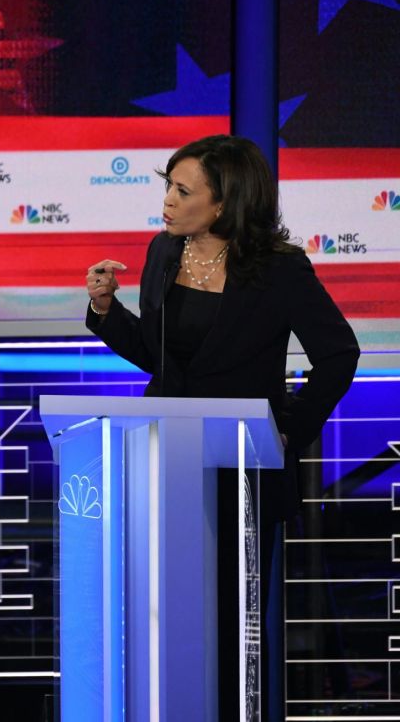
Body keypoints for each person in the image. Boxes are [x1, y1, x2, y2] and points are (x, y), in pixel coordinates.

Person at [84, 134, 359, 720]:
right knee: (162, 616)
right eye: (168, 186)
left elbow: (338, 354)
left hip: (243, 469)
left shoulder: (280, 272)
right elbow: (164, 359)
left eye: (183, 191)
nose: (168, 200)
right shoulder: (163, 253)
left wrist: (288, 427)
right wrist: (106, 314)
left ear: (224, 202)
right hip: (165, 459)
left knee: (231, 627)